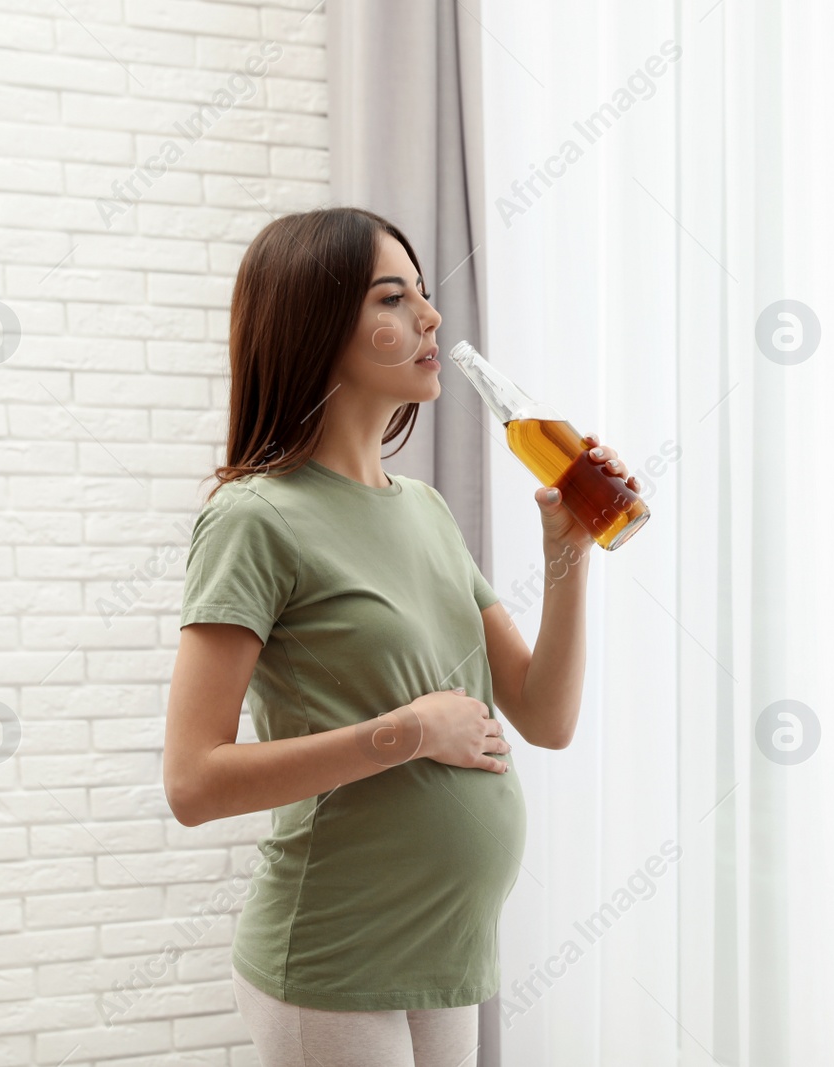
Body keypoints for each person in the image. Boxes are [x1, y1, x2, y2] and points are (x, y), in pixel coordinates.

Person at [163, 207, 642, 1067]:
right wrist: (409, 732)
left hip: (442, 955)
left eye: (425, 294)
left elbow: (543, 715)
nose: (432, 317)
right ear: (314, 326)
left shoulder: (423, 508)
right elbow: (194, 782)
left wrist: (565, 556)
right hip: (335, 956)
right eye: (395, 298)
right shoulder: (254, 519)